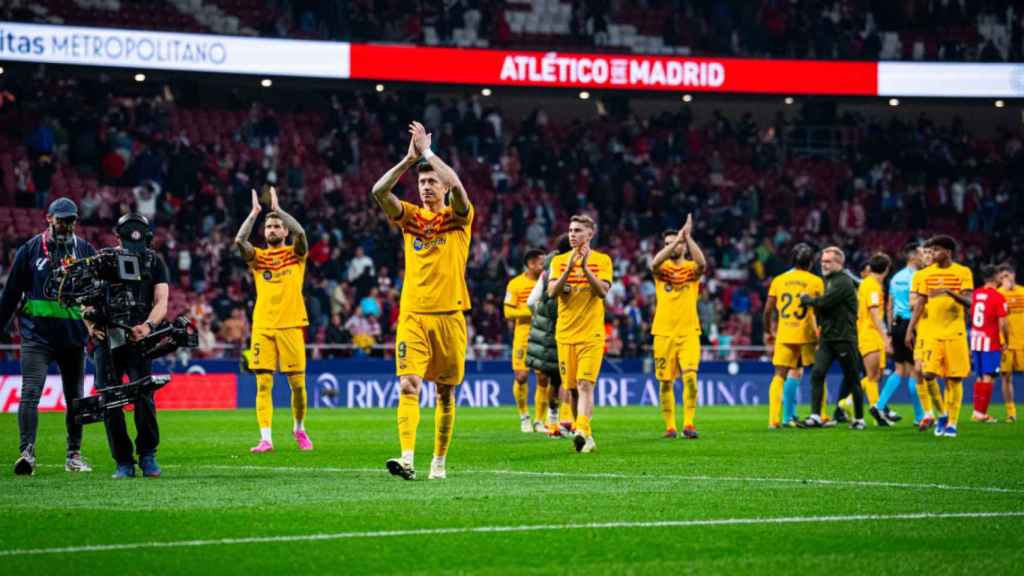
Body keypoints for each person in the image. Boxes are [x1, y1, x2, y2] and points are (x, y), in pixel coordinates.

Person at [373, 121, 472, 481]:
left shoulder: (459, 219)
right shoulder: (411, 218)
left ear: (442, 186)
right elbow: (378, 192)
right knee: (408, 385)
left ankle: (439, 461)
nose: (426, 186)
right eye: (422, 182)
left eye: (431, 181)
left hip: (450, 317)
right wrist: (408, 160)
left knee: (445, 394)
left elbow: (459, 187)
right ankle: (408, 457)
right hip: (413, 315)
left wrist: (429, 153)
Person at [0, 198, 97, 475]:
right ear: (48, 218)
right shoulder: (29, 251)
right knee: (30, 393)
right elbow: (10, 297)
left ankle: (74, 455)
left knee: (75, 398)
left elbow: (95, 294)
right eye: (61, 219)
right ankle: (26, 453)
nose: (66, 225)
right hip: (36, 338)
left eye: (71, 220)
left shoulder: (85, 250)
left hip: (73, 339)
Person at [86, 213, 170, 478]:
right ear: (118, 237)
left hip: (139, 338)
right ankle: (123, 461)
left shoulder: (155, 261)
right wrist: (90, 325)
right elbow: (83, 298)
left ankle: (147, 455)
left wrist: (147, 327)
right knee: (110, 400)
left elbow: (162, 302)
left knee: (144, 397)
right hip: (106, 339)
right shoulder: (102, 260)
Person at [235, 186, 312, 453]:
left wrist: (279, 210)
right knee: (263, 382)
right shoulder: (258, 258)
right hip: (264, 326)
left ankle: (299, 428)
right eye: (269, 227)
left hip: (291, 325)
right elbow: (239, 243)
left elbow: (301, 233)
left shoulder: (296, 253)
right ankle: (266, 438)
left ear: (284, 231)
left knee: (298, 386)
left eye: (277, 226)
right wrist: (255, 213)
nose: (272, 229)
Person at [547, 214, 613, 453]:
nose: (572, 234)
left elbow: (602, 292)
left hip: (591, 334)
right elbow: (552, 292)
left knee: (586, 384)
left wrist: (585, 268)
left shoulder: (603, 261)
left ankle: (581, 429)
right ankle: (586, 435)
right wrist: (569, 270)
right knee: (573, 389)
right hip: (565, 334)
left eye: (577, 230)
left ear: (590, 234)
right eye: (571, 230)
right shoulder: (559, 261)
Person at [907, 235, 973, 438]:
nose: (932, 254)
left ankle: (952, 423)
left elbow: (969, 301)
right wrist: (910, 328)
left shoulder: (963, 272)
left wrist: (949, 292)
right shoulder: (924, 275)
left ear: (947, 252)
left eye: (936, 250)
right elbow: (919, 304)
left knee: (954, 379)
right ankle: (942, 413)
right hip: (932, 333)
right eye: (931, 250)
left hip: (955, 332)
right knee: (927, 374)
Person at [649, 215, 706, 439]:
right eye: (667, 244)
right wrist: (675, 241)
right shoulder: (661, 270)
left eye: (676, 243)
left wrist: (688, 237)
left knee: (690, 377)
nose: (672, 247)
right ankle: (670, 426)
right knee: (665, 381)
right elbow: (653, 263)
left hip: (689, 331)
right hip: (662, 333)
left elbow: (703, 264)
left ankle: (689, 424)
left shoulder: (692, 269)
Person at [800, 247, 864, 430]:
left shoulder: (842, 281)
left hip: (844, 338)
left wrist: (807, 300)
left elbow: (825, 302)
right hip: (828, 338)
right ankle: (815, 415)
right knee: (817, 373)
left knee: (852, 378)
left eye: (828, 261)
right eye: (822, 261)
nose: (823, 264)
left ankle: (859, 418)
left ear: (839, 263)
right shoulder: (828, 280)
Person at [763, 243, 824, 429]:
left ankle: (775, 419)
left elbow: (767, 310)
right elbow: (821, 310)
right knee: (817, 374)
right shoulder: (816, 281)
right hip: (807, 334)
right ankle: (820, 415)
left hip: (785, 332)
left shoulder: (779, 280)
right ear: (811, 262)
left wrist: (767, 331)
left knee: (779, 375)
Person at [526, 234, 573, 437]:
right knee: (567, 380)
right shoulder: (571, 270)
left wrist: (541, 318)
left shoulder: (546, 273)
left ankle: (552, 423)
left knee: (554, 380)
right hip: (568, 330)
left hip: (548, 334)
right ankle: (568, 421)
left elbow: (530, 302)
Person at [876, 242, 924, 425]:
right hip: (911, 326)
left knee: (899, 369)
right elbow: (916, 305)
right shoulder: (917, 276)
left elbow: (889, 306)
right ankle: (920, 417)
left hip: (896, 326)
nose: (923, 257)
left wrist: (889, 331)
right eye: (921, 253)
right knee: (914, 373)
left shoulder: (896, 278)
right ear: (912, 256)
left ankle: (879, 406)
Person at [503, 248, 547, 433]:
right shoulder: (515, 284)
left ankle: (539, 421)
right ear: (530, 264)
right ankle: (524, 417)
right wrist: (530, 310)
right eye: (540, 263)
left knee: (543, 378)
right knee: (521, 377)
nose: (544, 266)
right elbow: (508, 312)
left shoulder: (547, 282)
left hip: (543, 335)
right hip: (523, 337)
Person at [969, 265, 1008, 424]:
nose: (1001, 278)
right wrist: (1005, 341)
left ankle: (976, 412)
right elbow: (1003, 324)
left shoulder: (976, 294)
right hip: (990, 342)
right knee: (988, 377)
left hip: (976, 340)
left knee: (979, 377)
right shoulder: (998, 297)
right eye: (1000, 275)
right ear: (994, 277)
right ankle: (981, 413)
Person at [858, 253, 893, 426]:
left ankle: (874, 409)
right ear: (887, 269)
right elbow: (873, 313)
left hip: (873, 333)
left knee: (876, 375)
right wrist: (885, 336)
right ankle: (874, 410)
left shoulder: (872, 284)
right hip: (870, 334)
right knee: (872, 375)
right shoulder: (872, 286)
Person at [998, 264, 1023, 423]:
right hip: (1006, 344)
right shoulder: (998, 295)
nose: (1006, 279)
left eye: (1008, 275)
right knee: (1006, 377)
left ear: (1014, 274)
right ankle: (1011, 412)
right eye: (1003, 277)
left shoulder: (1023, 292)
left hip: (1022, 342)